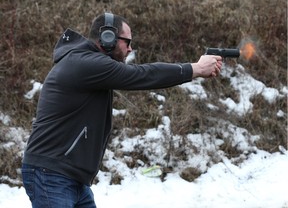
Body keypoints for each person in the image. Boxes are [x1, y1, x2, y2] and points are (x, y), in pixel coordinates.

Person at [21, 12, 222, 208]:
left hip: (68, 176)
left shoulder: (86, 62)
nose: (130, 49)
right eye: (127, 42)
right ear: (107, 38)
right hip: (52, 173)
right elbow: (143, 75)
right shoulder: (86, 63)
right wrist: (195, 68)